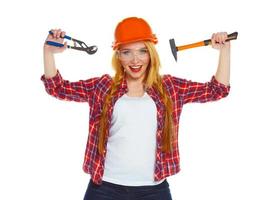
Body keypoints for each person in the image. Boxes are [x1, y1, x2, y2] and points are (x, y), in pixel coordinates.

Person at [41, 17, 231, 200]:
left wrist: (225, 50)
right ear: (118, 55)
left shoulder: (170, 88)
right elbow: (57, 88)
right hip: (105, 187)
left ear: (151, 53)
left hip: (153, 189)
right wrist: (48, 52)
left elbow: (217, 90)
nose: (135, 60)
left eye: (142, 51)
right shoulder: (103, 86)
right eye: (126, 52)